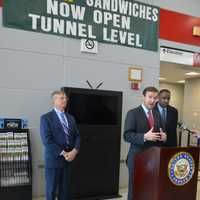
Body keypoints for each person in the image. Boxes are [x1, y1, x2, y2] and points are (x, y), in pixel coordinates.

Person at [124, 86, 167, 200]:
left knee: (149, 190)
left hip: (153, 161)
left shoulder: (157, 114)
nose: (152, 100)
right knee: (135, 191)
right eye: (150, 97)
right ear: (143, 97)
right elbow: (127, 135)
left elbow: (160, 133)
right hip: (137, 159)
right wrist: (144, 136)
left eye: (155, 98)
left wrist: (163, 137)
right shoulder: (133, 113)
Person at [40, 90, 80, 200]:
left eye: (65, 98)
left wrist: (74, 151)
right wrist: (64, 153)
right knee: (51, 191)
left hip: (68, 161)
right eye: (61, 98)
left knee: (65, 192)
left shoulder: (71, 118)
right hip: (54, 161)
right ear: (54, 101)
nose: (64, 100)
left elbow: (77, 136)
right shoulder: (46, 118)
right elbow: (47, 140)